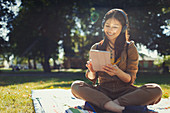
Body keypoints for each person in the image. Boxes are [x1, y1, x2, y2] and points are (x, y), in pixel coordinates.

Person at [71, 9, 162, 113]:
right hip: (103, 91)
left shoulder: (130, 48)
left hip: (126, 93)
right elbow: (92, 79)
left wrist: (117, 72)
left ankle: (106, 105)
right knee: (76, 86)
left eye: (115, 27)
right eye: (107, 25)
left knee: (156, 90)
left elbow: (130, 79)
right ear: (103, 25)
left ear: (123, 29)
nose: (110, 30)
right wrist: (92, 71)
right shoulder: (96, 47)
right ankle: (121, 109)